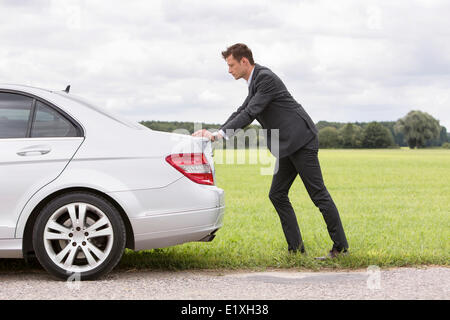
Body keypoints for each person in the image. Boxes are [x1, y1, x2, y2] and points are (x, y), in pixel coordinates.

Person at [193, 43, 349, 259]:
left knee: (318, 194)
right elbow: (242, 110)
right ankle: (296, 250)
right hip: (286, 145)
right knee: (277, 194)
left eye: (231, 65)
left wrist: (218, 136)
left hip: (301, 141)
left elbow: (251, 113)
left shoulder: (266, 78)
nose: (229, 70)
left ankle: (340, 249)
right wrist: (216, 132)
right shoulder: (255, 82)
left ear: (244, 61)